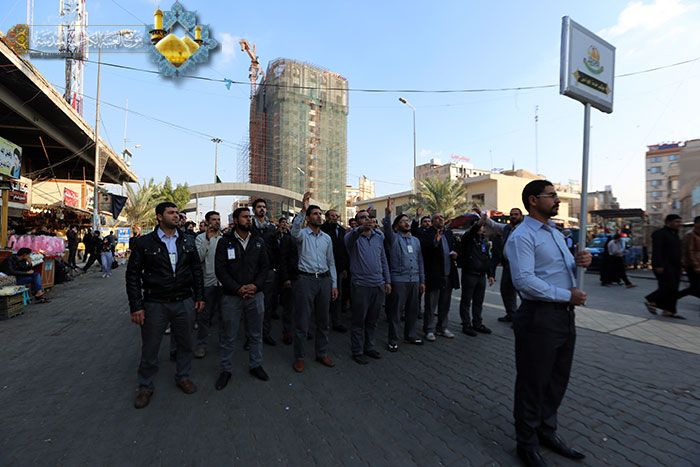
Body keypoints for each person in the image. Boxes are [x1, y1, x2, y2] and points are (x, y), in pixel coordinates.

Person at [505, 180, 591, 466]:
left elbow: (559, 270)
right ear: (533, 200)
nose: (557, 200)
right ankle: (526, 443)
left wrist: (580, 262)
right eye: (551, 195)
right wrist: (567, 295)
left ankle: (546, 430)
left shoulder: (554, 232)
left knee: (557, 379)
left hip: (564, 316)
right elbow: (524, 281)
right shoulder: (522, 236)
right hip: (538, 318)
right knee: (533, 381)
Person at [126, 201, 205, 409]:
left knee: (185, 343)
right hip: (155, 303)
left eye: (177, 212)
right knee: (150, 347)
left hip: (184, 301)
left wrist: (200, 296)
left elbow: (196, 270)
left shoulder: (187, 241)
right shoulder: (144, 243)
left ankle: (183, 376)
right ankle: (145, 386)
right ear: (160, 217)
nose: (176, 215)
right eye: (171, 213)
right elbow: (132, 275)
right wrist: (136, 306)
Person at [214, 207, 270, 389]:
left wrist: (256, 286)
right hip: (232, 296)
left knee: (255, 333)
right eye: (245, 217)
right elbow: (220, 269)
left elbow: (265, 267)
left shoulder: (258, 241)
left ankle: (256, 365)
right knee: (229, 335)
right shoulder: (225, 242)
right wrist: (237, 288)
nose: (249, 220)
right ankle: (226, 370)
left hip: (255, 295)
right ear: (236, 220)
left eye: (250, 217)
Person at [290, 192, 338, 372]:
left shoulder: (326, 238)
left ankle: (321, 353)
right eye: (315, 214)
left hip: (324, 281)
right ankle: (300, 357)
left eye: (320, 214)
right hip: (305, 280)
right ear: (308, 217)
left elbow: (331, 262)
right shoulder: (302, 235)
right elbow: (294, 232)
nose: (319, 216)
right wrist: (303, 210)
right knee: (302, 322)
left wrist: (334, 284)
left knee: (323, 321)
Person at [345, 209, 391, 364]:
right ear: (357, 221)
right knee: (359, 321)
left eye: (368, 217)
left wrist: (387, 281)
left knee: (373, 320)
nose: (367, 219)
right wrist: (360, 229)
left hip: (378, 284)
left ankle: (369, 347)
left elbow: (383, 260)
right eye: (363, 217)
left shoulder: (379, 237)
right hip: (360, 285)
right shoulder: (352, 237)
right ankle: (357, 351)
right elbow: (350, 239)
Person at [383, 198, 425, 351]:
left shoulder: (416, 241)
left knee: (413, 310)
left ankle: (410, 335)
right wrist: (388, 215)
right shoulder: (394, 239)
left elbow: (420, 261)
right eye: (403, 221)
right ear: (397, 226)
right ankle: (393, 340)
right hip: (399, 280)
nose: (406, 223)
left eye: (407, 221)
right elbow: (387, 230)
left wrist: (422, 280)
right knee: (395, 312)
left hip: (414, 280)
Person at [415, 212, 459, 342]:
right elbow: (425, 249)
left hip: (448, 274)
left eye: (442, 217)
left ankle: (442, 328)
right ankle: (429, 329)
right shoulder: (428, 233)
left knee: (445, 304)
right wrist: (435, 241)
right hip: (434, 276)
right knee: (431, 305)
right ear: (432, 221)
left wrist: (456, 254)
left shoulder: (448, 233)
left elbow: (455, 247)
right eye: (437, 218)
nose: (440, 219)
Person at [483, 207, 524, 323]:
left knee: (523, 293)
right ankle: (511, 315)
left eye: (516, 214)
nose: (513, 216)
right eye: (511, 214)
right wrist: (481, 213)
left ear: (521, 216)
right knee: (506, 291)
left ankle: (524, 318)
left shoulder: (524, 229)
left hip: (521, 266)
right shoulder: (507, 228)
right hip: (507, 265)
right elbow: (494, 225)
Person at [458, 210, 495, 336]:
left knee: (478, 301)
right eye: (479, 226)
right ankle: (466, 324)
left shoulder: (483, 240)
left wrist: (490, 275)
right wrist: (479, 222)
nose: (481, 228)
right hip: (470, 274)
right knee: (466, 301)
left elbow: (487, 258)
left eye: (482, 226)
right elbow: (473, 231)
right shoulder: (467, 238)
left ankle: (477, 323)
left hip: (481, 276)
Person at [193, 210, 224, 359]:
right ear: (207, 222)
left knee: (224, 316)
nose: (217, 222)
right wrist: (207, 239)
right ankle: (202, 344)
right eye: (214, 219)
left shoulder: (225, 238)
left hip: (223, 284)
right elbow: (198, 258)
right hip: (207, 283)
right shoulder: (200, 238)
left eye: (218, 219)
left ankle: (224, 343)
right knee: (204, 317)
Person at [250, 198, 279, 346]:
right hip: (252, 271)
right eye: (259, 207)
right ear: (254, 210)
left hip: (268, 271)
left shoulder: (271, 229)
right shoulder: (249, 227)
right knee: (251, 305)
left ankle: (265, 333)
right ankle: (250, 337)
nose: (262, 209)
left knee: (267, 305)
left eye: (264, 207)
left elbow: (276, 249)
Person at [645, 214, 684, 318]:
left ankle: (669, 311)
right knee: (668, 286)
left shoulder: (675, 234)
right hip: (664, 265)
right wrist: (658, 265)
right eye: (676, 222)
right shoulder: (660, 233)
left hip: (675, 265)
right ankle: (651, 299)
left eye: (680, 222)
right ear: (668, 222)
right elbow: (657, 250)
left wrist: (681, 264)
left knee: (674, 289)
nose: (679, 224)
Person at [321, 209, 349, 333]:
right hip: (324, 268)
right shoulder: (322, 229)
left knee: (337, 296)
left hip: (338, 268)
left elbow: (344, 250)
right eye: (332, 216)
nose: (334, 217)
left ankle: (336, 322)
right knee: (323, 297)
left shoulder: (342, 231)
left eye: (336, 215)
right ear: (327, 217)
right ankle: (323, 322)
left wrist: (344, 267)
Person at [278, 216, 298, 345]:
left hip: (304, 277)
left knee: (302, 307)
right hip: (291, 277)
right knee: (289, 307)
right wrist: (285, 278)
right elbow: (283, 259)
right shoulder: (287, 238)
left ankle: (302, 329)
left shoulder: (307, 238)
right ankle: (287, 332)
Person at [678, 215, 700, 302]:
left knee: (695, 288)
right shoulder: (690, 235)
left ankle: (669, 299)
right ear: (696, 224)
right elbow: (689, 251)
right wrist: (696, 265)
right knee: (695, 287)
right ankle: (669, 299)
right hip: (692, 265)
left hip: (698, 263)